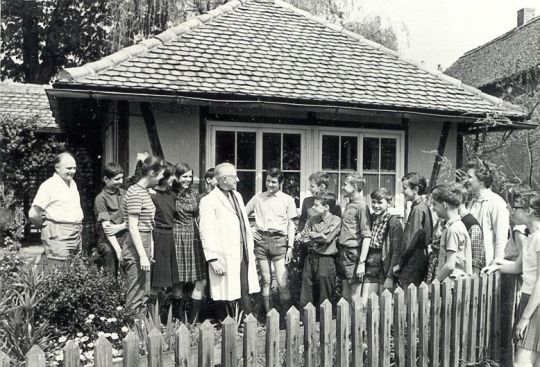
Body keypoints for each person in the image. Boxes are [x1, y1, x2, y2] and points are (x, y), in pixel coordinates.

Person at [483, 190, 540, 366]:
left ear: (529, 210)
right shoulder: (531, 237)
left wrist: (524, 318)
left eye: (516, 208)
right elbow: (518, 267)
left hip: (534, 303)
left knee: (522, 362)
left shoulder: (538, 238)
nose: (512, 212)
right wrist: (496, 267)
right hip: (529, 299)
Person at [199, 163, 260, 315]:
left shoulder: (237, 196)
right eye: (234, 177)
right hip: (223, 253)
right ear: (225, 179)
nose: (237, 180)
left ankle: (247, 322)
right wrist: (212, 259)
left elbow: (241, 221)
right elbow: (205, 231)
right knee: (224, 292)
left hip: (241, 251)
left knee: (243, 288)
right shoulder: (209, 200)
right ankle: (226, 325)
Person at [245, 168, 297, 315]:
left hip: (279, 242)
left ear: (281, 182)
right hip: (261, 241)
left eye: (274, 182)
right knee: (266, 280)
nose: (270, 184)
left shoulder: (287, 200)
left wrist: (290, 247)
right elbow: (242, 214)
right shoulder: (258, 198)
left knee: (282, 283)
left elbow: (291, 225)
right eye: (268, 181)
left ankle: (287, 317)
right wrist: (250, 229)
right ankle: (269, 316)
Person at [122, 155, 164, 315]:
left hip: (145, 243)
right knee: (135, 295)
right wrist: (142, 255)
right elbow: (133, 227)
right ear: (152, 173)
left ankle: (142, 334)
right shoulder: (134, 193)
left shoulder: (143, 192)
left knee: (144, 293)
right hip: (135, 246)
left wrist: (149, 250)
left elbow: (147, 225)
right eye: (160, 175)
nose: (161, 178)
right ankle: (131, 335)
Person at [29, 152, 83, 266]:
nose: (72, 171)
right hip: (58, 234)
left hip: (76, 234)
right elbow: (33, 213)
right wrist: (44, 226)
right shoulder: (49, 185)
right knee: (58, 271)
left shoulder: (72, 183)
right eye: (68, 168)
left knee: (74, 271)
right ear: (57, 168)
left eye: (74, 168)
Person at [171, 162, 207, 323]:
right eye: (184, 176)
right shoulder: (170, 194)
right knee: (178, 280)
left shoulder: (194, 193)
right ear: (176, 177)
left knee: (200, 278)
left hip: (194, 236)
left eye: (190, 176)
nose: (187, 179)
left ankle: (193, 320)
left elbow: (200, 215)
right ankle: (179, 319)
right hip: (177, 236)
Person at [295, 192, 341, 308]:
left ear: (326, 207)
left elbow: (326, 238)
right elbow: (303, 239)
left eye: (316, 205)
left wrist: (311, 234)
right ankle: (305, 322)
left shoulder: (336, 220)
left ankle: (324, 323)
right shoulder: (312, 219)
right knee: (306, 293)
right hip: (310, 259)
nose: (313, 208)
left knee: (324, 295)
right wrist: (317, 236)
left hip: (325, 260)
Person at [465, 159, 510, 265]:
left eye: (470, 177)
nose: (466, 180)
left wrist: (497, 267)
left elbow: (501, 239)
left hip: (487, 265)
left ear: (481, 180)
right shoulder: (472, 202)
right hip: (470, 262)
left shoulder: (496, 202)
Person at [336, 172, 371, 303]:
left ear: (354, 186)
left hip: (353, 254)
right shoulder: (349, 204)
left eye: (345, 184)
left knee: (355, 297)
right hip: (343, 253)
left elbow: (366, 235)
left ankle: (358, 324)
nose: (342, 187)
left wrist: (361, 263)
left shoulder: (361, 207)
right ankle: (347, 324)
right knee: (345, 296)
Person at [394, 172, 433, 287]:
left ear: (415, 189)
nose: (402, 191)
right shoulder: (422, 206)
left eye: (405, 188)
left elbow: (410, 241)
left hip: (414, 260)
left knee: (408, 297)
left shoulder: (418, 209)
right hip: (419, 258)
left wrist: (400, 264)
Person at [365, 188, 404, 298]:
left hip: (385, 267)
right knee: (367, 300)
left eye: (380, 202)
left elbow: (396, 252)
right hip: (370, 265)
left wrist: (390, 276)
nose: (376, 205)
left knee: (384, 302)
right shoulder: (371, 219)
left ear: (388, 203)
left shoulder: (394, 223)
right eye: (373, 202)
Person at [430, 185, 473, 282]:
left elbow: (450, 265)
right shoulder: (455, 226)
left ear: (444, 205)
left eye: (435, 204)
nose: (433, 208)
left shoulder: (453, 229)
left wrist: (435, 282)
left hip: (453, 284)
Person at [150, 164, 179, 296]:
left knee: (172, 280)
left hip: (171, 237)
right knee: (157, 280)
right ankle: (152, 315)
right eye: (171, 176)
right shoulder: (151, 195)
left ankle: (168, 315)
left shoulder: (172, 195)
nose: (174, 178)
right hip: (158, 237)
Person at [94, 162, 127, 276]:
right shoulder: (101, 199)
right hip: (109, 241)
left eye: (122, 178)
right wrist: (118, 250)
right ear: (106, 179)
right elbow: (107, 228)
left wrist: (119, 227)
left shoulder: (125, 194)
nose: (121, 182)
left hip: (126, 238)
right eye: (117, 179)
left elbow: (133, 220)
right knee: (110, 274)